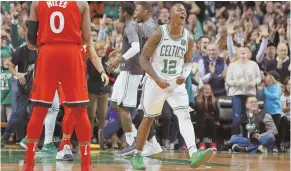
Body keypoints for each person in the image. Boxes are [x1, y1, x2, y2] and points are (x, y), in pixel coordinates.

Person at [131, 4, 213, 170]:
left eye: (184, 10)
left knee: (184, 114)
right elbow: (143, 59)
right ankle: (137, 155)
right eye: (179, 9)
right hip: (155, 81)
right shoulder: (159, 32)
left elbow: (189, 61)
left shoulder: (188, 37)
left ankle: (193, 153)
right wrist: (156, 78)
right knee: (148, 119)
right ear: (170, 15)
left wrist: (184, 74)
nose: (183, 11)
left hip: (175, 84)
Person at [23, 1, 93, 170]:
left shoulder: (37, 2)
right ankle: (86, 164)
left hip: (47, 54)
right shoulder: (81, 2)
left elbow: (31, 38)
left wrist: (46, 44)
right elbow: (87, 37)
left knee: (39, 110)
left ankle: (29, 163)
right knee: (79, 110)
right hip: (72, 54)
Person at [107, 2, 143, 157]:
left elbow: (136, 48)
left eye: (120, 12)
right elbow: (131, 46)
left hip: (131, 72)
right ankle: (136, 138)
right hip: (126, 71)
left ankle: (131, 143)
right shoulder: (130, 26)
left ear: (126, 13)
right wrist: (118, 51)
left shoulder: (130, 26)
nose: (118, 14)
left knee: (124, 109)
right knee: (115, 104)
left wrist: (119, 58)